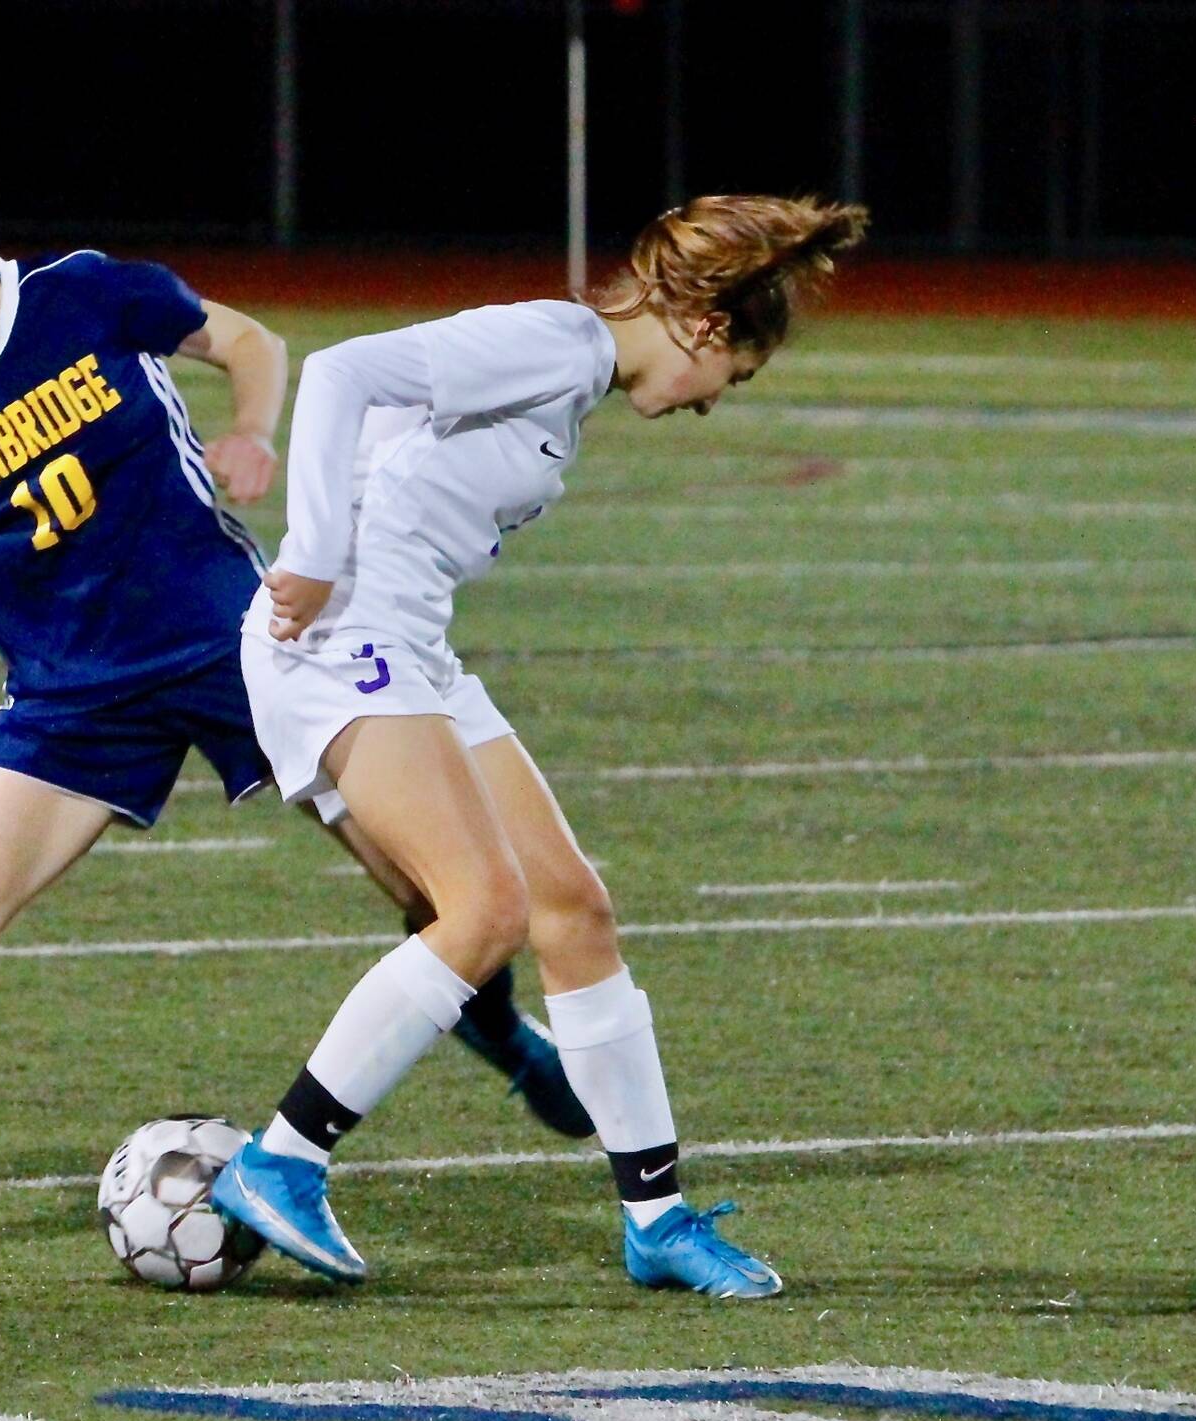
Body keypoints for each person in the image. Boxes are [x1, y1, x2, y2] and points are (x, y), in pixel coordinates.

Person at [0, 171, 588, 1287]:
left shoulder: (89, 295)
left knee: (429, 888)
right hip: (70, 696)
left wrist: (254, 434)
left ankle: (494, 1030)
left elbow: (251, 341)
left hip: (230, 649)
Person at [210, 195, 870, 1297]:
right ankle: (281, 1161)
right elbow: (336, 373)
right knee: (484, 910)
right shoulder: (550, 342)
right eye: (734, 377)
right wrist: (317, 549)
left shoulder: (570, 382)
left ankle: (655, 1221)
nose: (714, 405)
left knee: (573, 906)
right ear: (705, 330)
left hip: (407, 646)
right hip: (338, 637)